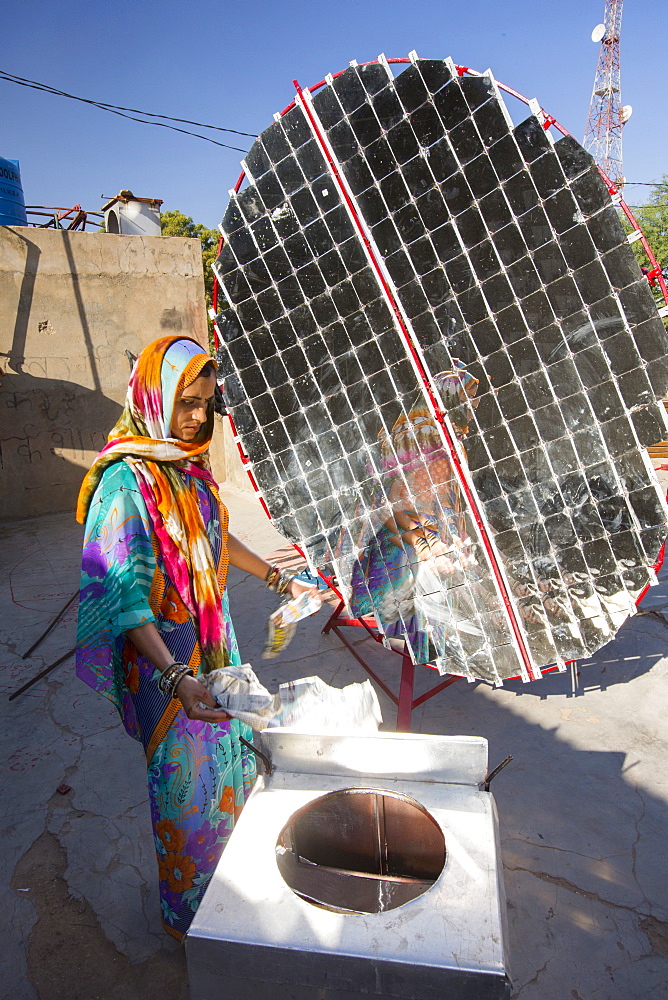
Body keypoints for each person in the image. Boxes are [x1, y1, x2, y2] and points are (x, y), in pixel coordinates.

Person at [75, 334, 317, 939]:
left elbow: (213, 536)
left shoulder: (187, 464)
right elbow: (125, 604)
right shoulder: (125, 484)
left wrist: (278, 579)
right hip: (167, 665)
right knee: (184, 800)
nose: (198, 416)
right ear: (155, 396)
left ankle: (230, 907)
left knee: (228, 773)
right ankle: (191, 923)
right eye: (186, 401)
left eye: (207, 402)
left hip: (212, 648)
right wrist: (177, 677)